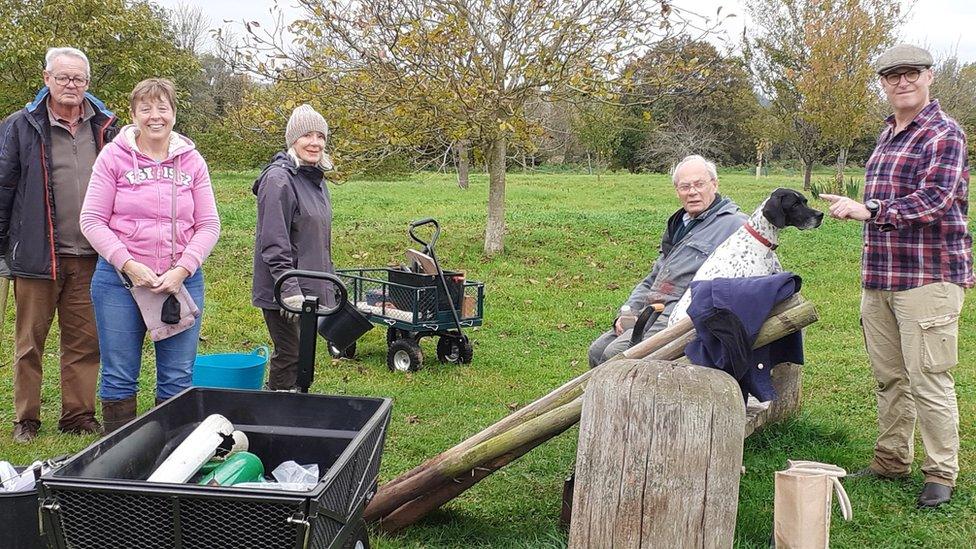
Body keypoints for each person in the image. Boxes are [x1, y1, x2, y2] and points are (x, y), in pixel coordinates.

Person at [821, 44, 972, 508]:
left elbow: (936, 200)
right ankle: (891, 460)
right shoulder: (888, 134)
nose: (902, 82)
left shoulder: (944, 133)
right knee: (889, 377)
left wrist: (870, 209)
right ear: (883, 84)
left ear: (929, 77)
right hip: (881, 277)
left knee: (928, 378)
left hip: (929, 278)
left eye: (911, 74)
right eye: (892, 76)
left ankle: (941, 472)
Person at [80, 78, 220, 433]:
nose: (155, 116)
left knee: (176, 376)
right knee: (119, 374)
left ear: (173, 114)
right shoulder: (113, 156)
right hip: (119, 282)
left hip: (179, 283)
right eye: (146, 108)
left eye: (163, 108)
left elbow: (208, 225)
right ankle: (119, 456)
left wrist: (182, 269)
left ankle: (170, 454)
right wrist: (127, 263)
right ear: (133, 114)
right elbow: (92, 220)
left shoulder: (192, 160)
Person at [0, 47, 119, 442]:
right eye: (63, 77)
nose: (71, 85)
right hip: (36, 255)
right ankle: (26, 419)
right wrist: (3, 252)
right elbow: (4, 188)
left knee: (85, 342)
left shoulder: (105, 127)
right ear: (47, 78)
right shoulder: (20, 126)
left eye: (79, 79)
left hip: (91, 256)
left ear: (88, 83)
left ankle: (78, 415)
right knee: (29, 343)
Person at [588, 155, 747, 367]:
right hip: (656, 306)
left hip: (684, 315)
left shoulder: (735, 225)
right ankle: (604, 399)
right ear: (677, 191)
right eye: (685, 187)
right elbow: (655, 276)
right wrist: (628, 312)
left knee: (616, 356)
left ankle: (634, 399)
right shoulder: (680, 224)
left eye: (699, 184)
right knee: (597, 351)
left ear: (715, 184)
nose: (692, 192)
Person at [252, 104, 336, 391]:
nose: (315, 143)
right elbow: (274, 240)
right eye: (307, 136)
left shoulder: (314, 177)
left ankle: (298, 407)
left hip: (312, 283)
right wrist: (289, 291)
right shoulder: (279, 179)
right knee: (290, 355)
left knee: (303, 356)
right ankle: (277, 410)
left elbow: (316, 238)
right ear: (292, 141)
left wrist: (331, 281)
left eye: (320, 136)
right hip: (286, 288)